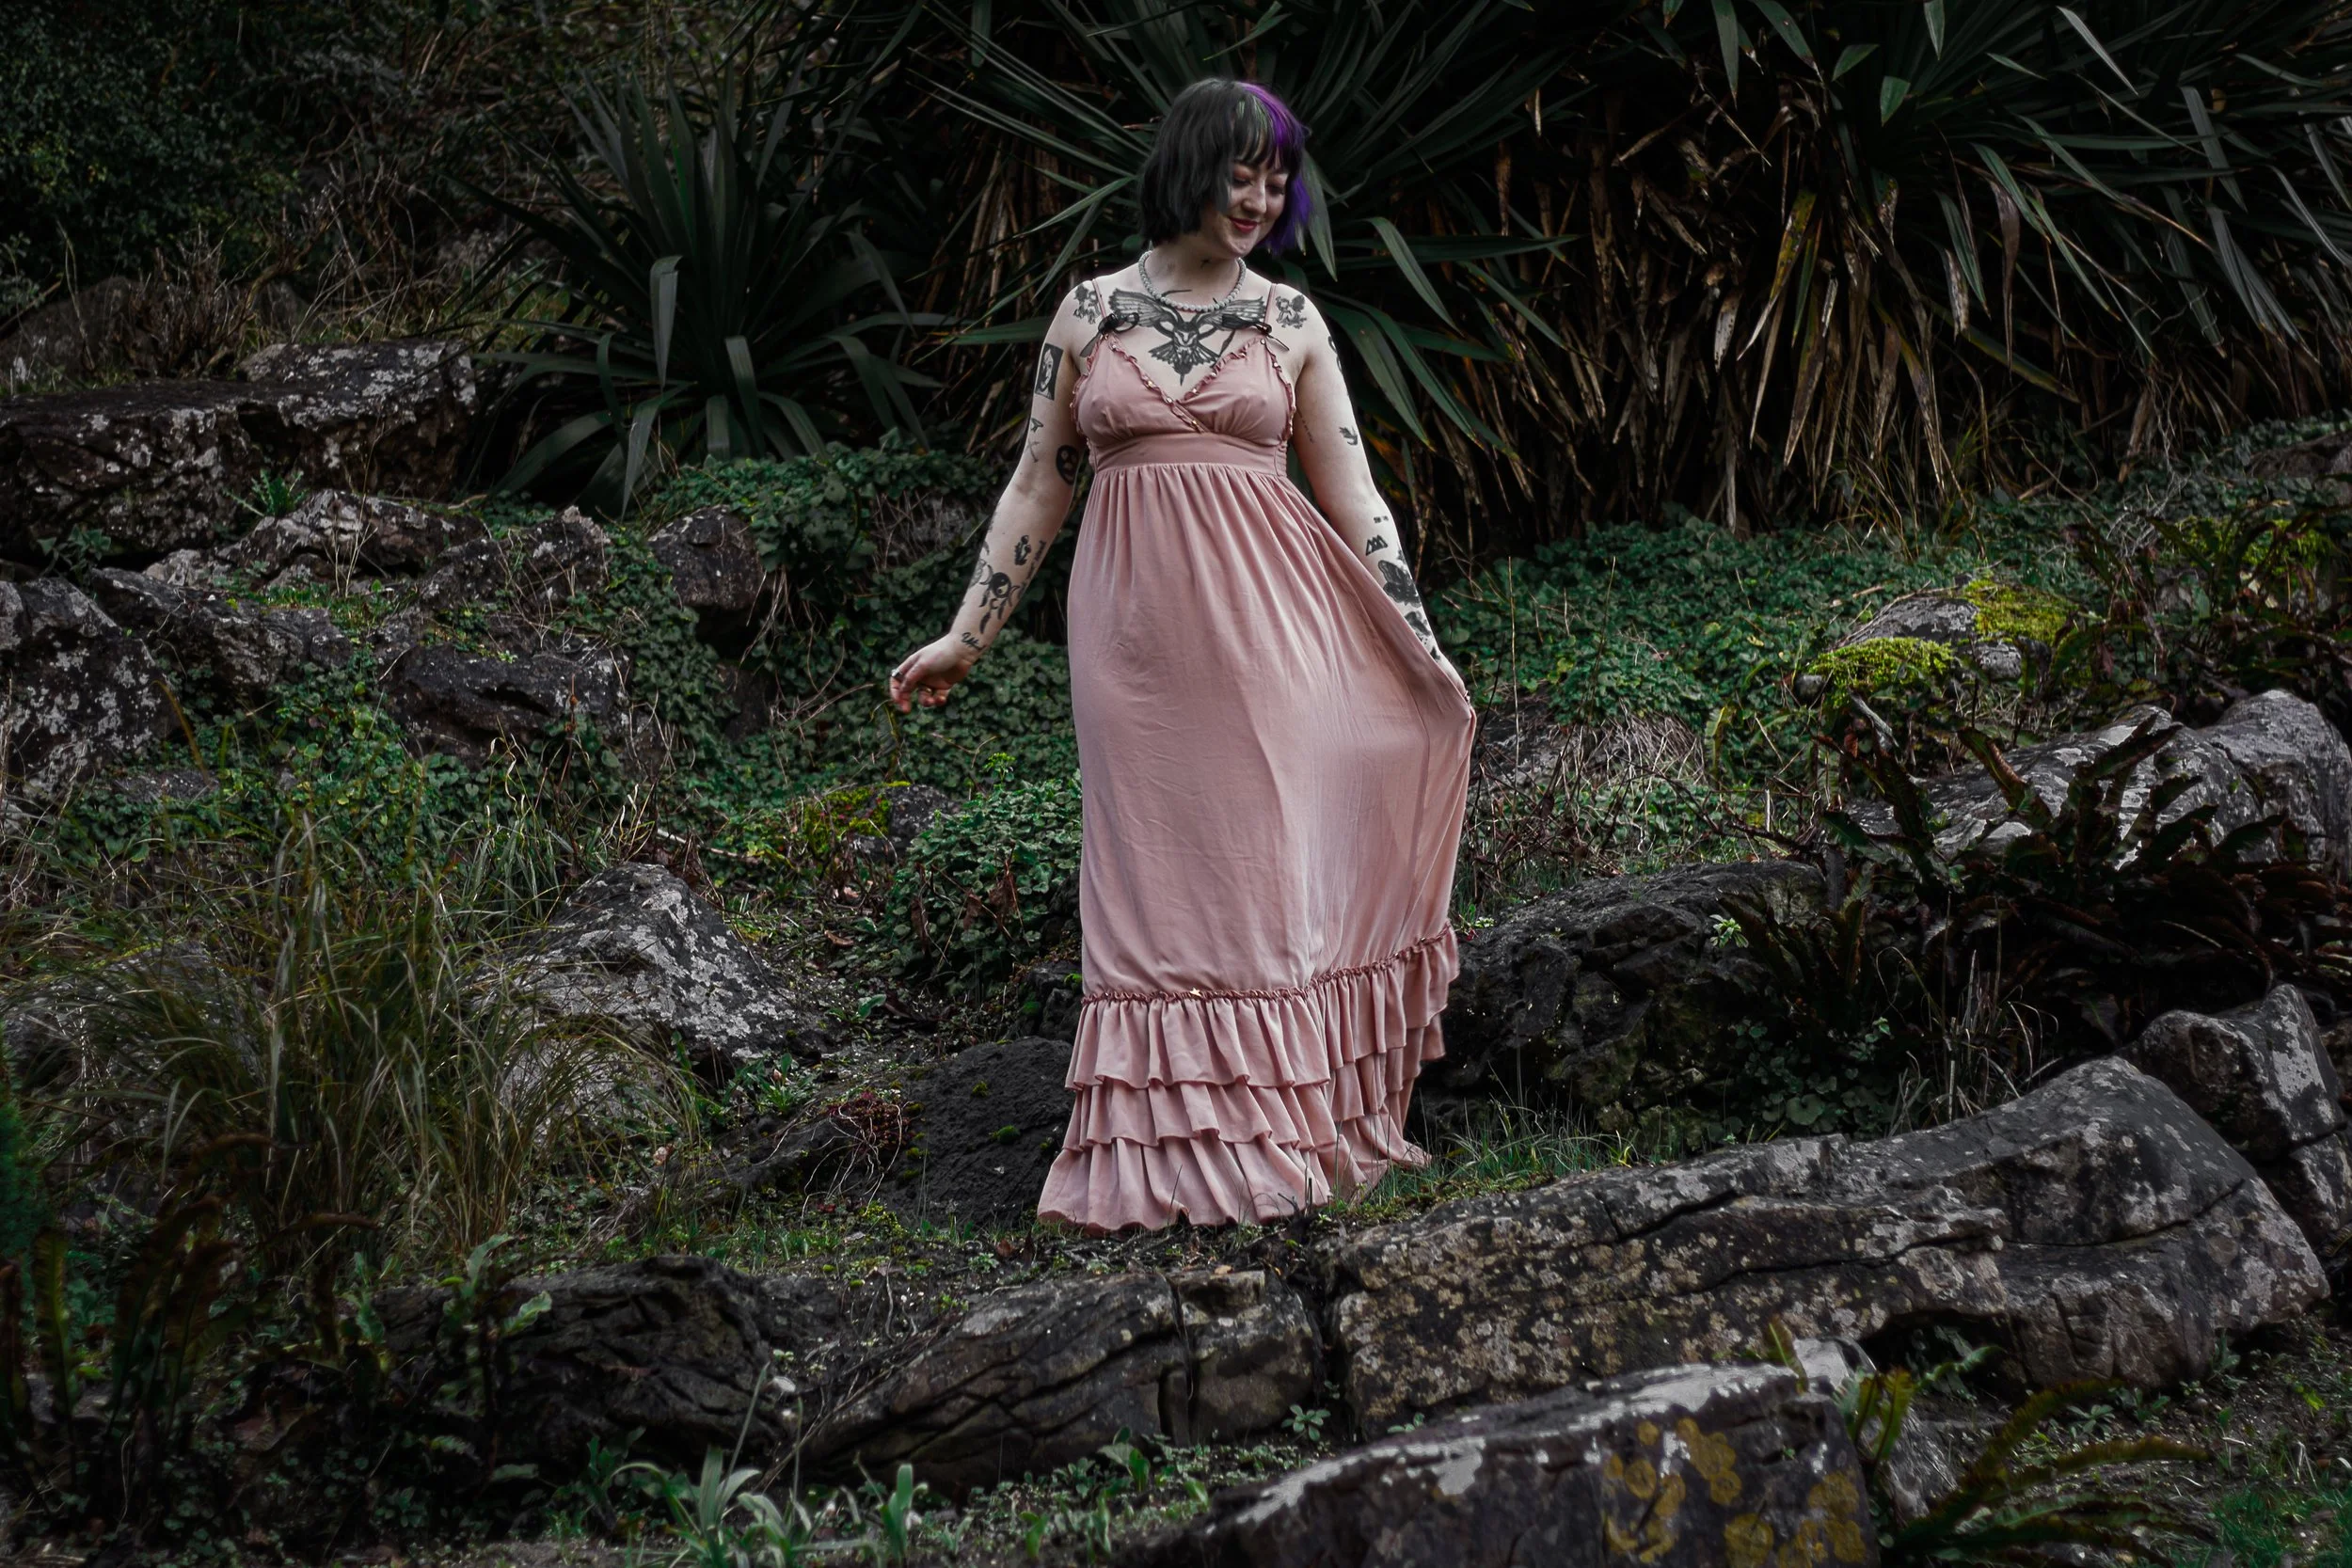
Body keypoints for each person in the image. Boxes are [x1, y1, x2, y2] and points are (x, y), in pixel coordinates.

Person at [888, 77, 1474, 1231]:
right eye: (1239, 172)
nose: (1259, 197)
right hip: (1133, 649)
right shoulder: (1088, 313)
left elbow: (1354, 499)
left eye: (1275, 178)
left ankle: (1276, 1134)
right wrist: (968, 631)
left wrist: (1415, 633)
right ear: (1185, 169)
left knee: (1259, 870)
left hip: (1273, 639)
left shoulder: (1294, 323)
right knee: (1150, 877)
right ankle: (1162, 1149)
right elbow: (1035, 484)